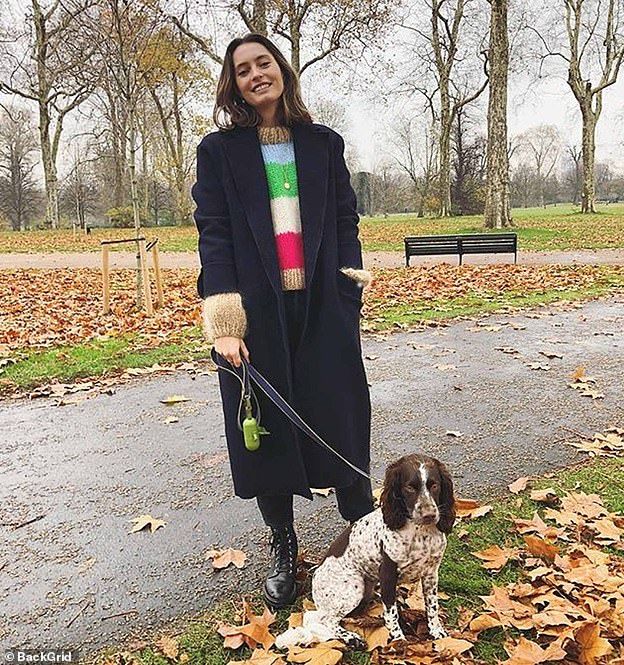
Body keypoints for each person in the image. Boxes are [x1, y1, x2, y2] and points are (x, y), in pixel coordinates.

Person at [192, 32, 374, 610]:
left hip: (322, 304)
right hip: (255, 312)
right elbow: (214, 234)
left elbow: (346, 218)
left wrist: (349, 290)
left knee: (341, 409)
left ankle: (366, 534)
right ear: (234, 84)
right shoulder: (219, 152)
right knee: (265, 427)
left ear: (281, 70)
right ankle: (283, 544)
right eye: (242, 70)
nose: (254, 75)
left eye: (262, 63)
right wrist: (225, 319)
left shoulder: (324, 143)